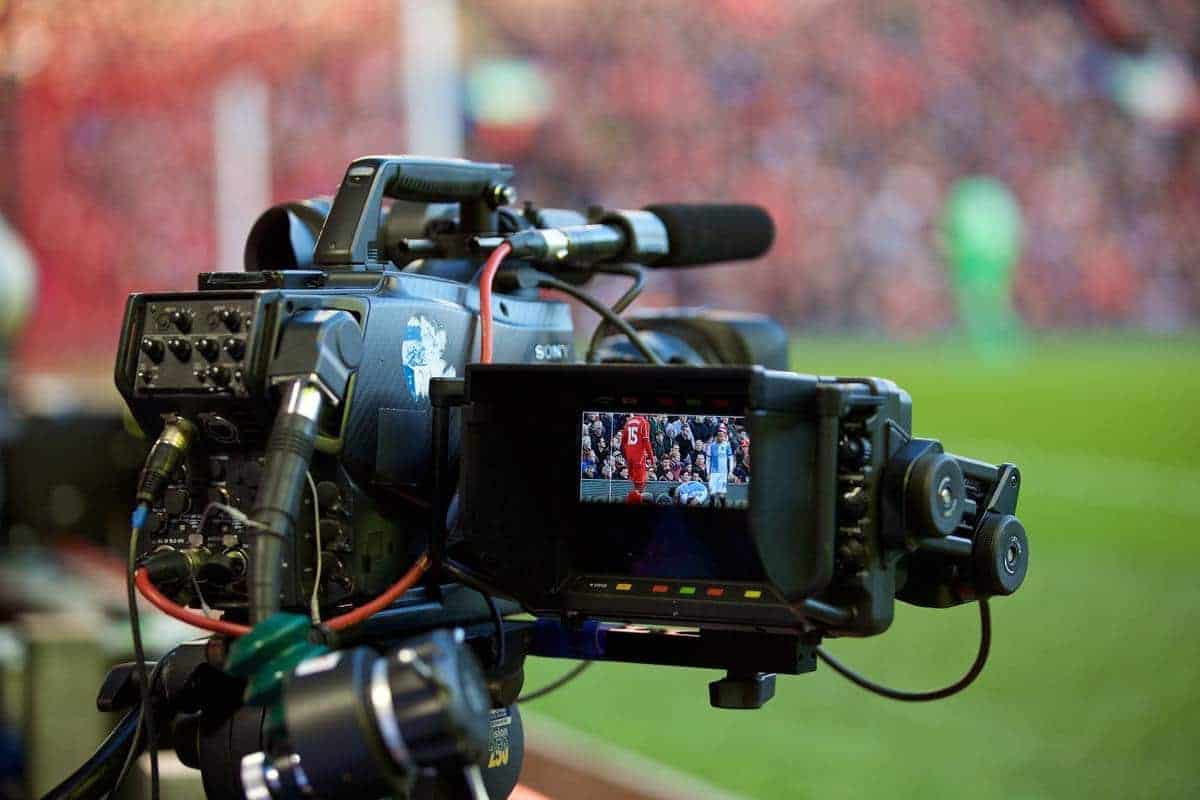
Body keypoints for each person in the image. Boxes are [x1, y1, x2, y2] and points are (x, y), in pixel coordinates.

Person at [622, 414, 655, 504]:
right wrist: (652, 458)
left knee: (635, 484)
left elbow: (623, 442)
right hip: (639, 457)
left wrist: (626, 457)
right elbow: (646, 441)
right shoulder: (644, 422)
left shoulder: (628, 422)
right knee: (640, 486)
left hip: (630, 457)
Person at [706, 424, 734, 506]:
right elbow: (708, 460)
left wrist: (730, 472)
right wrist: (708, 473)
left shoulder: (727, 445)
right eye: (720, 436)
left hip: (723, 473)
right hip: (713, 472)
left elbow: (731, 459)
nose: (721, 438)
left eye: (723, 436)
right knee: (712, 493)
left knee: (722, 494)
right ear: (716, 436)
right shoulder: (711, 446)